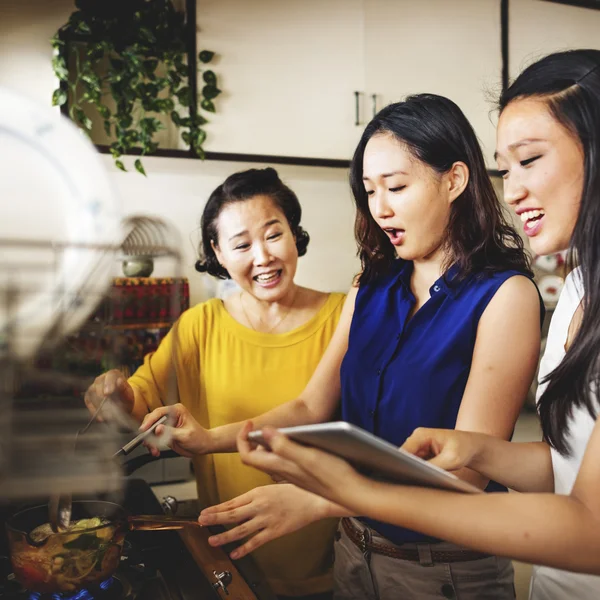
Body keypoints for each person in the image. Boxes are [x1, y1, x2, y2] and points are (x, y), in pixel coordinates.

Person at [230, 50, 600, 600]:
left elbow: (590, 529)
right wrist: (474, 450)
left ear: (453, 181)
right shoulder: (576, 292)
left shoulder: (506, 294)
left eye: (529, 160)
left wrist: (340, 494)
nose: (513, 188)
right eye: (506, 167)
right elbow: (567, 466)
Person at [142, 94, 543, 600]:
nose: (380, 208)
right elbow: (311, 406)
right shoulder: (371, 285)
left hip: (445, 571)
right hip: (354, 554)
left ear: (454, 180)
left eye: (396, 187)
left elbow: (466, 470)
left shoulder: (506, 295)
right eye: (370, 191)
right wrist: (209, 439)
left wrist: (318, 500)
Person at [84, 167, 346, 600]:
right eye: (241, 244)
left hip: (334, 560)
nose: (262, 257)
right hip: (228, 561)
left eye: (273, 234)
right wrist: (115, 391)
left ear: (295, 234)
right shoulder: (199, 325)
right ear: (219, 253)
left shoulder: (344, 317)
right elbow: (141, 401)